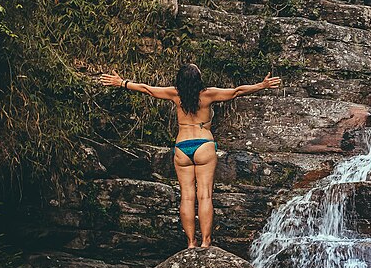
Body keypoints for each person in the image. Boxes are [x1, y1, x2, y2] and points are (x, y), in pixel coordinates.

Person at [99, 64, 282, 248]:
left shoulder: (174, 94)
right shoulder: (208, 94)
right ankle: (205, 242)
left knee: (187, 197)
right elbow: (236, 91)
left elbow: (147, 89)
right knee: (205, 196)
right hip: (204, 145)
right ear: (198, 79)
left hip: (182, 147)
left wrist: (121, 82)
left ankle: (191, 243)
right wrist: (262, 85)